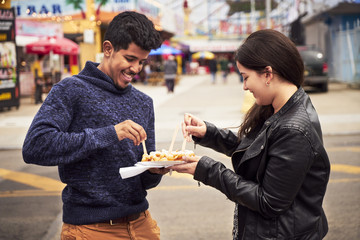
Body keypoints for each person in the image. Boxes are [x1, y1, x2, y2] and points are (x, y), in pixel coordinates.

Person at [171, 29, 330, 239]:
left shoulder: (293, 130)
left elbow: (269, 202)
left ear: (267, 74)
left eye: (246, 77)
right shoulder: (279, 108)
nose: (244, 86)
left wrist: (206, 169)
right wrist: (208, 133)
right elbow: (255, 149)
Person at [22, 11, 168, 240]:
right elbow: (35, 147)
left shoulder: (143, 103)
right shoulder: (70, 90)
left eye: (142, 62)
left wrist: (154, 171)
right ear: (108, 49)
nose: (136, 69)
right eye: (130, 59)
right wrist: (110, 133)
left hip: (141, 224)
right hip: (89, 228)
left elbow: (144, 177)